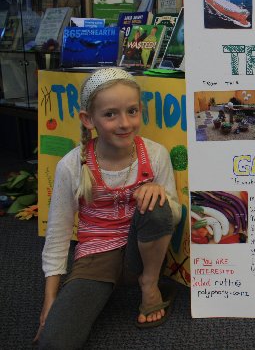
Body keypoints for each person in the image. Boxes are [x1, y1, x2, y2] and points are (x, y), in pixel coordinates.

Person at [35, 68, 182, 348]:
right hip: (95, 257)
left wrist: (157, 193)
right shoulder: (72, 164)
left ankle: (149, 286)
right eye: (110, 114)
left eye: (132, 111)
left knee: (158, 203)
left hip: (142, 253)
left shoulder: (154, 154)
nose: (125, 123)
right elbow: (58, 234)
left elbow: (172, 216)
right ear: (88, 119)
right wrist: (49, 301)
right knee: (55, 342)